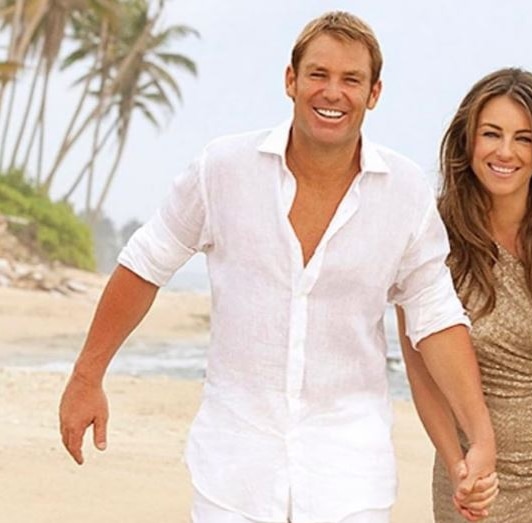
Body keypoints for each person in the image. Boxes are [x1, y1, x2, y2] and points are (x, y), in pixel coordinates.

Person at [58, 12, 498, 523]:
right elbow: (145, 264)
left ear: (373, 93)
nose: (332, 92)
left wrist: (480, 437)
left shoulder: (405, 193)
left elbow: (436, 318)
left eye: (351, 80)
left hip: (350, 472)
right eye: (318, 75)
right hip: (234, 467)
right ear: (291, 81)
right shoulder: (223, 169)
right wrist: (86, 377)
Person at [397, 68, 532, 522]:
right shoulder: (429, 235)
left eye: (522, 138)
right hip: (473, 486)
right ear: (468, 142)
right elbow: (422, 376)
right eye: (491, 134)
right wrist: (462, 472)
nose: (505, 151)